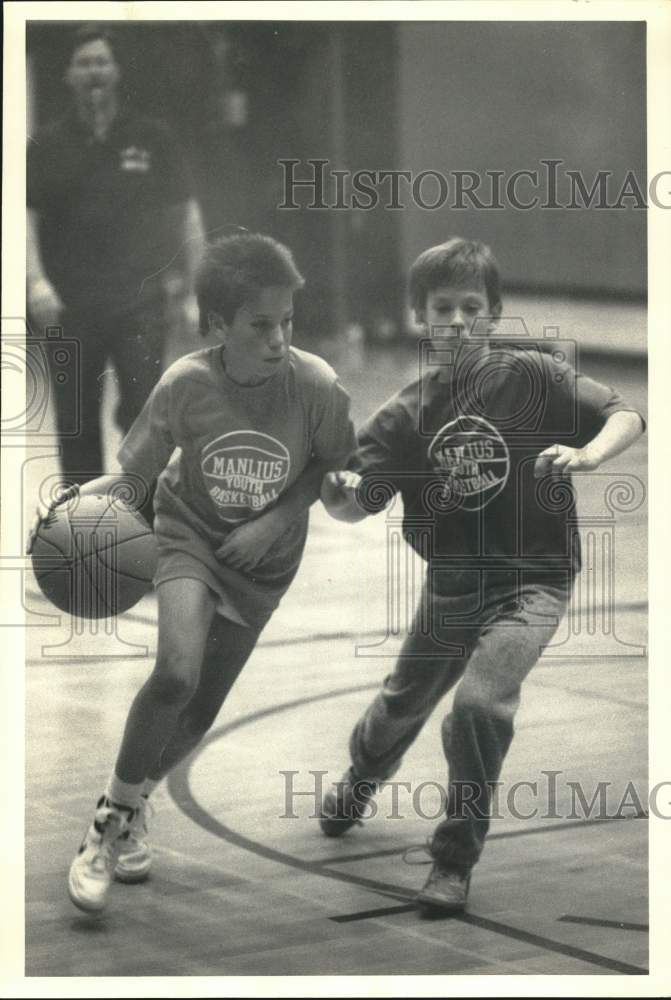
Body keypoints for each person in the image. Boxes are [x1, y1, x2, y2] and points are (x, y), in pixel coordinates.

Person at [318, 238, 645, 914]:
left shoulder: (533, 376)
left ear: (494, 313)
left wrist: (588, 455)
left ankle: (452, 860)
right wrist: (335, 492)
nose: (458, 322)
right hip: (453, 586)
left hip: (534, 582)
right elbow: (354, 504)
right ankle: (363, 772)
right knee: (397, 709)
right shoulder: (404, 415)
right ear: (420, 315)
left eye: (472, 307)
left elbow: (625, 413)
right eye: (443, 308)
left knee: (477, 706)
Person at [31, 232, 356, 913]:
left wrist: (274, 522)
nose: (278, 338)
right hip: (189, 536)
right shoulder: (186, 384)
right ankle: (107, 825)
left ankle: (134, 802)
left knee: (203, 706)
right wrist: (75, 505)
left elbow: (330, 464)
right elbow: (135, 478)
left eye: (286, 322)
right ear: (216, 325)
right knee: (176, 674)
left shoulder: (316, 386)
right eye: (260, 325)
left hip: (263, 562)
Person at [27, 22, 205, 491]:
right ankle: (81, 523)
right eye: (83, 63)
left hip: (139, 302)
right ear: (68, 75)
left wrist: (198, 291)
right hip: (70, 304)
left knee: (146, 418)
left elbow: (186, 214)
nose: (93, 72)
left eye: (101, 62)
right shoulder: (47, 144)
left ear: (117, 71)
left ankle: (142, 516)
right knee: (75, 421)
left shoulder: (152, 137)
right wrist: (35, 282)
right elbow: (25, 217)